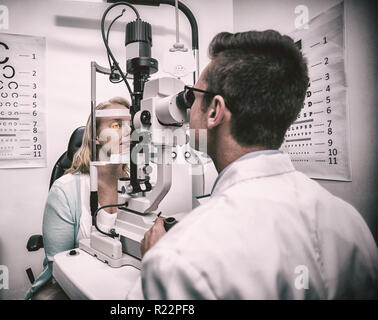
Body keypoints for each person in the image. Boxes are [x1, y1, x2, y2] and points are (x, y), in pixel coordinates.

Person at [129, 30, 378, 299]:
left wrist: (155, 263)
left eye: (192, 96)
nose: (188, 109)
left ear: (214, 111)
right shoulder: (351, 223)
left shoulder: (179, 258)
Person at [25, 97, 131, 300]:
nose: (128, 131)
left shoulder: (141, 187)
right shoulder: (65, 191)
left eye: (132, 124)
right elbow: (60, 265)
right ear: (97, 137)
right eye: (117, 125)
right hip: (73, 285)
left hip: (126, 283)